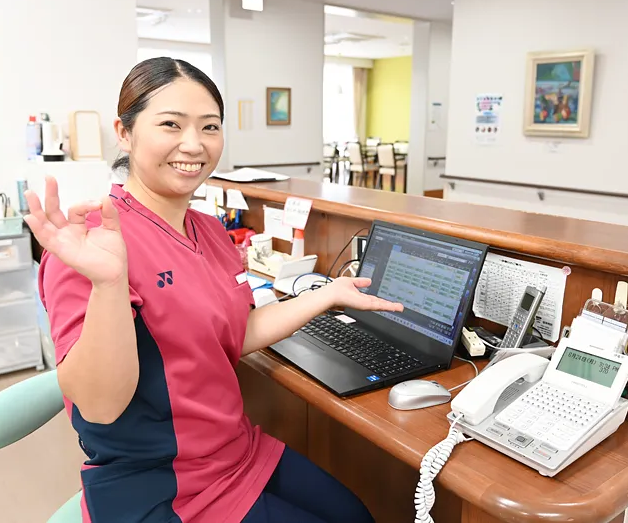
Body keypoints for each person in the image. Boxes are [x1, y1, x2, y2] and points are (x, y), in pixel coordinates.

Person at [26, 57, 404, 523]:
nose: (194, 144)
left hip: (234, 452)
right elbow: (100, 406)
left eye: (210, 127)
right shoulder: (92, 246)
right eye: (171, 124)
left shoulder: (208, 229)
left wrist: (326, 295)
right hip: (160, 483)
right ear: (124, 132)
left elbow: (234, 332)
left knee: (355, 516)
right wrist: (108, 283)